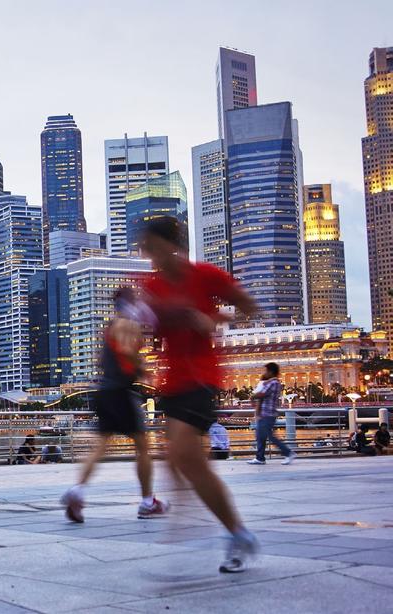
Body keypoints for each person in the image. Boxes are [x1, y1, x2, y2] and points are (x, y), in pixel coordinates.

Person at [139, 216, 260, 574]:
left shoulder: (205, 276)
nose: (146, 251)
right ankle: (228, 528)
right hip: (171, 382)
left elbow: (249, 307)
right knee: (181, 459)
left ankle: (234, 532)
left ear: (170, 243)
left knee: (184, 456)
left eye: (150, 244)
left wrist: (215, 319)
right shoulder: (152, 285)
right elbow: (151, 328)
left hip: (202, 377)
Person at [61, 288, 168, 523]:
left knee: (100, 446)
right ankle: (147, 502)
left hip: (105, 391)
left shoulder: (109, 327)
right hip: (122, 391)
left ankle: (76, 491)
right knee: (142, 447)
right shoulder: (128, 325)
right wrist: (143, 370)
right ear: (132, 302)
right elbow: (128, 351)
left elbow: (101, 360)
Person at [247, 363, 295, 465]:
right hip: (265, 413)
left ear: (271, 372)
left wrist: (252, 396)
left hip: (268, 414)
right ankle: (260, 458)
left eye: (266, 371)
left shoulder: (274, 383)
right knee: (260, 436)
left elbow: (262, 393)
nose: (265, 373)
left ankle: (288, 452)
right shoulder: (272, 382)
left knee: (269, 436)